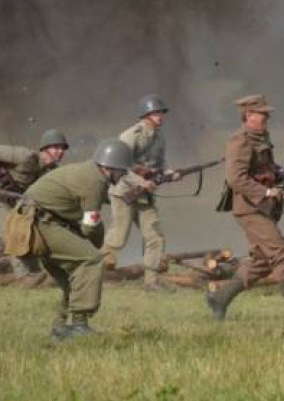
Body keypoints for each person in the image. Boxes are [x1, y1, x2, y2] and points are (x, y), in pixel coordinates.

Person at [205, 94, 284, 323]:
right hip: (250, 209)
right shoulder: (240, 140)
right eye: (263, 114)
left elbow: (266, 168)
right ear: (249, 115)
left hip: (263, 209)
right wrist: (266, 192)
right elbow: (235, 178)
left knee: (261, 263)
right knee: (281, 252)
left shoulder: (261, 137)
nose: (267, 118)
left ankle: (220, 299)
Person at [17, 139, 132, 338]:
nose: (123, 175)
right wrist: (94, 246)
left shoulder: (89, 173)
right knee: (90, 260)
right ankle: (78, 325)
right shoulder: (94, 181)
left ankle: (61, 326)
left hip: (35, 221)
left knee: (74, 275)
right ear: (110, 167)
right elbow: (90, 226)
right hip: (38, 223)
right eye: (122, 170)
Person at [101, 95, 182, 291]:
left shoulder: (159, 137)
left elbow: (159, 164)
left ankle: (151, 281)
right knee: (118, 236)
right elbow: (119, 166)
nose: (160, 116)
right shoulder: (131, 136)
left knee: (154, 236)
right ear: (146, 115)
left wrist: (169, 173)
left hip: (145, 195)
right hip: (124, 192)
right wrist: (141, 182)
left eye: (161, 113)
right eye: (156, 113)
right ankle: (97, 275)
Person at [0, 129, 69, 285]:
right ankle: (23, 276)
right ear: (44, 148)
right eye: (56, 147)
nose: (60, 152)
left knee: (31, 233)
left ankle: (35, 273)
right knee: (14, 232)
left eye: (62, 148)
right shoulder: (24, 156)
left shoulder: (51, 172)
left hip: (14, 203)